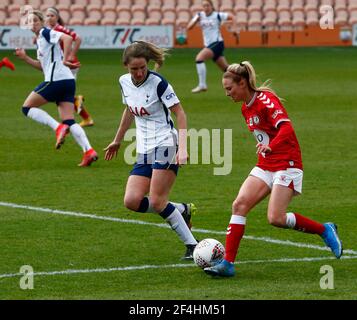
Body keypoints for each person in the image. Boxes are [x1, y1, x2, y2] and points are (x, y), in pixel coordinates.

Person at [204, 61, 343, 277]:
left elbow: (286, 127)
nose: (227, 94)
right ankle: (228, 264)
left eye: (229, 89)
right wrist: (266, 149)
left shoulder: (266, 100)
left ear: (242, 83)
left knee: (276, 218)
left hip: (287, 162)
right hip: (266, 163)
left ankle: (324, 229)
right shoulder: (245, 108)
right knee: (239, 205)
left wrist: (271, 146)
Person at [104, 41, 198, 260]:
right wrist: (117, 140)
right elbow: (129, 110)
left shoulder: (159, 83)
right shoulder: (124, 82)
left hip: (166, 142)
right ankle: (182, 209)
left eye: (142, 68)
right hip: (144, 147)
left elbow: (181, 114)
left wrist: (182, 148)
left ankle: (193, 246)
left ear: (147, 64)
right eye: (133, 69)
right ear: (125, 66)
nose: (138, 73)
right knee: (132, 201)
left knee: (157, 201)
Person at [15, 10, 98, 167]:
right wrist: (25, 58)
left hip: (56, 80)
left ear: (42, 22)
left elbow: (67, 38)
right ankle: (89, 151)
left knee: (26, 108)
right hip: (67, 81)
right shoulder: (41, 39)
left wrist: (66, 59)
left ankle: (58, 128)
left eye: (35, 20)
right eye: (29, 21)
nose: (32, 23)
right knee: (69, 119)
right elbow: (42, 67)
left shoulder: (46, 32)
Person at [45, 7, 94, 127]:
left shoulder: (59, 29)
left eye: (52, 15)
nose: (49, 17)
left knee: (61, 94)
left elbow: (77, 38)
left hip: (69, 65)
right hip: (61, 66)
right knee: (62, 94)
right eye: (47, 15)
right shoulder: (48, 30)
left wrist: (71, 54)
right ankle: (86, 118)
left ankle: (76, 104)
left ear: (57, 17)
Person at [187, 0, 237, 93]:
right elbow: (189, 27)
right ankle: (243, 76)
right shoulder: (200, 15)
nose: (206, 7)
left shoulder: (217, 15)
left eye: (207, 5)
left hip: (217, 43)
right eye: (204, 6)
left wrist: (234, 29)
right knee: (226, 69)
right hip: (210, 45)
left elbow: (232, 17)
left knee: (199, 58)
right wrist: (196, 20)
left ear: (211, 6)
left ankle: (202, 85)